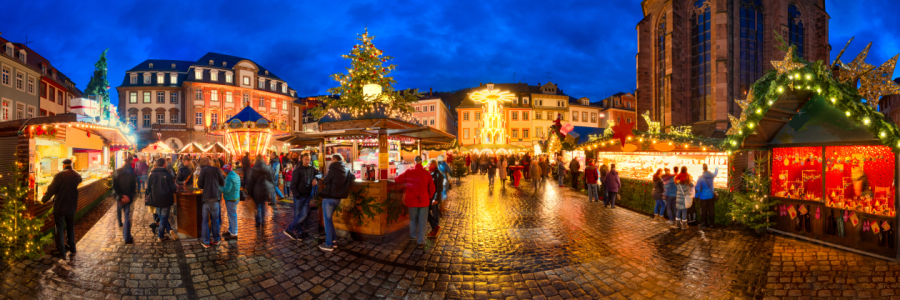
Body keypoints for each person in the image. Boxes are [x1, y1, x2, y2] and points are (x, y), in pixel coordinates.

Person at [44, 159, 83, 256]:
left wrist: (44, 199)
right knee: (70, 226)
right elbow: (79, 182)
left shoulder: (60, 175)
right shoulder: (77, 175)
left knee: (59, 228)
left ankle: (61, 251)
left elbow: (51, 189)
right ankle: (72, 247)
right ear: (71, 165)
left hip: (60, 205)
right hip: (72, 205)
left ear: (63, 165)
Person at [395, 156, 435, 247]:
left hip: (412, 201)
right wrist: (428, 197)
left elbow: (397, 179)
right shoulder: (426, 173)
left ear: (414, 162)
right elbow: (432, 187)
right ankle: (421, 241)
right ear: (421, 162)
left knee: (413, 220)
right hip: (424, 201)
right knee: (423, 221)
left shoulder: (409, 172)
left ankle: (413, 236)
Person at [318, 154, 354, 251]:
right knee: (329, 221)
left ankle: (328, 244)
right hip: (338, 199)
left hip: (329, 198)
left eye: (331, 159)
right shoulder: (346, 170)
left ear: (334, 159)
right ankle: (333, 241)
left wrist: (327, 174)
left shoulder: (333, 168)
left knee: (327, 221)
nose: (331, 161)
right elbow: (353, 178)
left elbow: (325, 181)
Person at [285, 153, 321, 241]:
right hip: (299, 196)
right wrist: (297, 195)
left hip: (307, 196)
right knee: (297, 215)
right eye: (306, 159)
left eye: (308, 159)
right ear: (302, 159)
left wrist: (316, 178)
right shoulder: (297, 171)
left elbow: (320, 173)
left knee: (303, 215)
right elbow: (293, 185)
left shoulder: (312, 169)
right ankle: (299, 232)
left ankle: (289, 229)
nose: (307, 161)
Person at [146, 158, 178, 242]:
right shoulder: (167, 175)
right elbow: (173, 189)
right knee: (163, 217)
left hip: (156, 199)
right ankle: (160, 235)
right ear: (164, 164)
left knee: (161, 216)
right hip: (165, 199)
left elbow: (148, 188)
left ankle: (168, 230)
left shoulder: (152, 174)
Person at [196, 157, 225, 247]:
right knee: (215, 220)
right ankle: (216, 239)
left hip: (206, 199)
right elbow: (222, 182)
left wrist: (205, 185)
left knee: (205, 221)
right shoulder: (217, 170)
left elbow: (199, 184)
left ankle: (206, 242)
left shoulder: (204, 170)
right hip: (215, 198)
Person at [248, 154, 276, 229]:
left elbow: (250, 181)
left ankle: (258, 221)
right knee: (263, 205)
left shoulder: (253, 168)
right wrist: (272, 187)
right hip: (265, 188)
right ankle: (263, 221)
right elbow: (271, 178)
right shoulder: (266, 168)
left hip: (256, 190)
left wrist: (249, 191)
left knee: (257, 206)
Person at [221, 164, 241, 239]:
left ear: (226, 171)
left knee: (232, 216)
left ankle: (234, 233)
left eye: (223, 171)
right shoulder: (235, 175)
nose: (222, 173)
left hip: (231, 199)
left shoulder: (229, 178)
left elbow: (226, 190)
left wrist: (218, 187)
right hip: (235, 197)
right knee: (230, 215)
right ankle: (230, 230)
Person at [427, 160, 444, 238]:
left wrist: (436, 198)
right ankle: (436, 227)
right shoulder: (430, 173)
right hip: (430, 197)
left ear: (434, 165)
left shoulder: (438, 175)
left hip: (435, 198)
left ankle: (435, 230)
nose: (428, 166)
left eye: (429, 165)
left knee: (435, 214)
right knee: (427, 212)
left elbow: (439, 188)